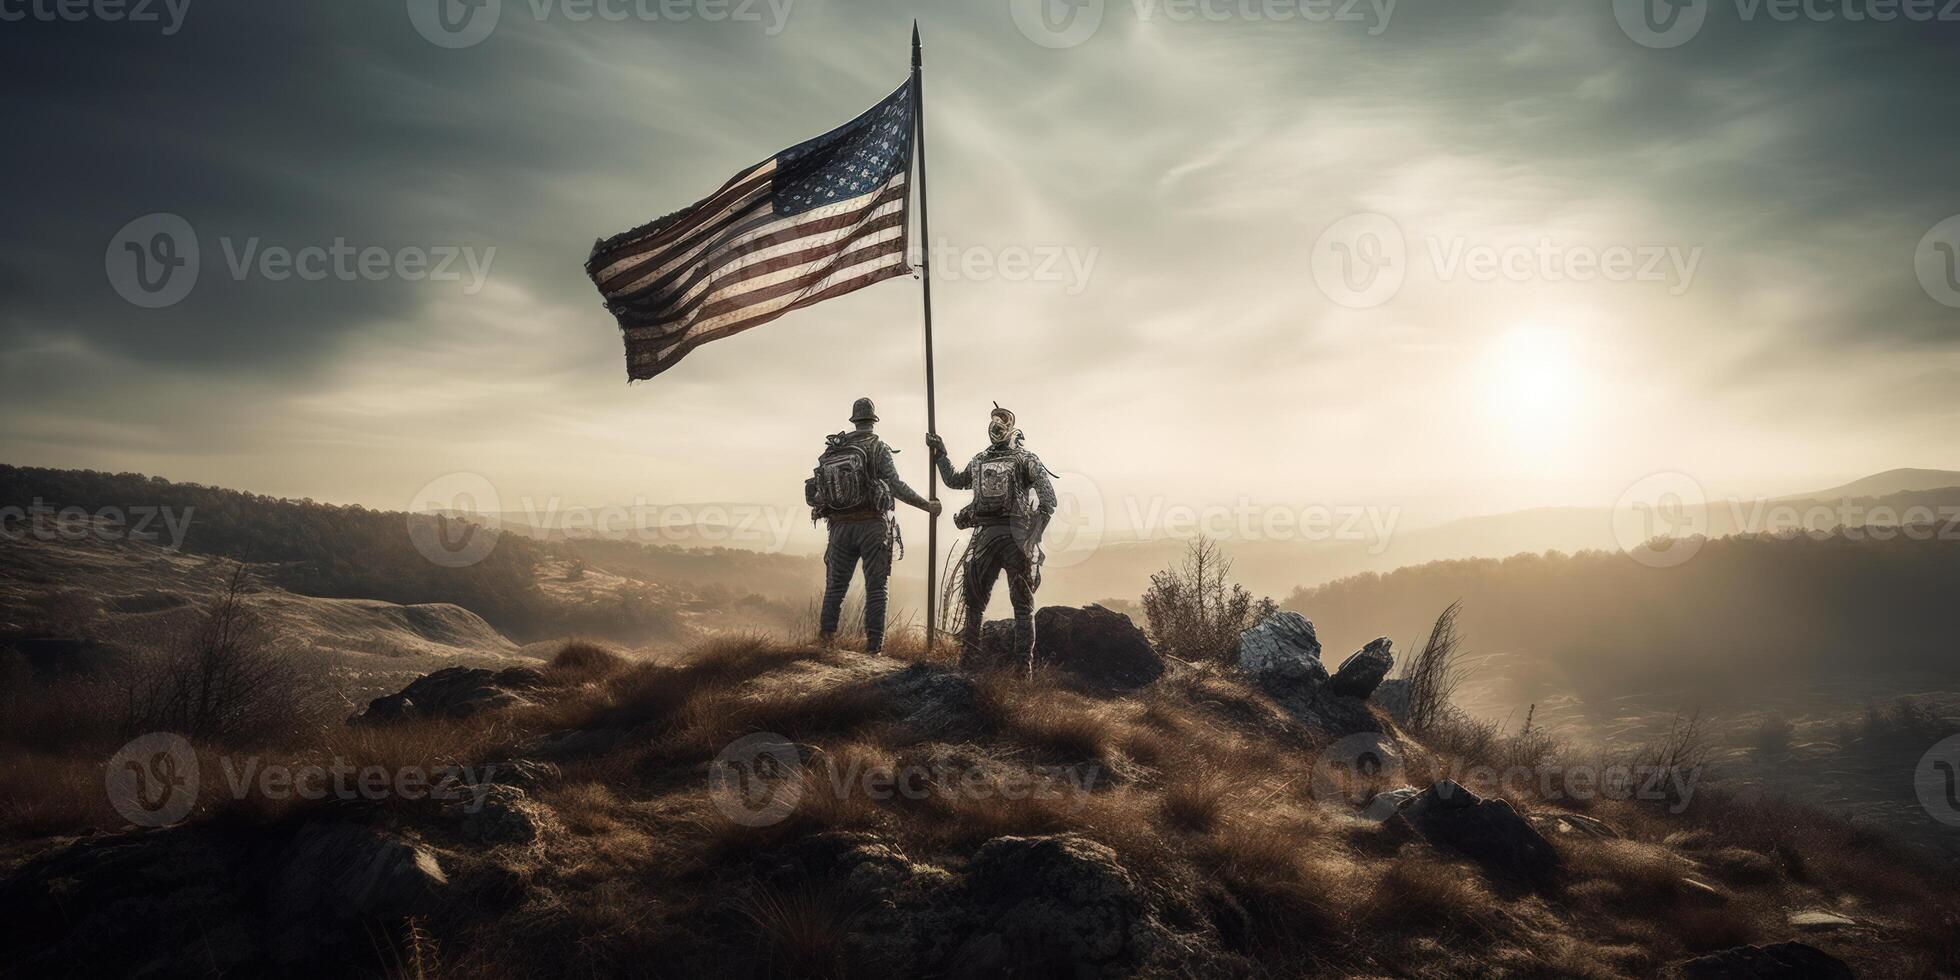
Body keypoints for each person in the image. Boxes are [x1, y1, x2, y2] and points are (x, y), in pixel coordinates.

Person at [927, 404, 1056, 672]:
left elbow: (953, 480)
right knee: (1022, 608)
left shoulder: (979, 460)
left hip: (985, 537)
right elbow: (1048, 501)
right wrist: (1034, 537)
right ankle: (1023, 670)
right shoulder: (1026, 459)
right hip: (1017, 538)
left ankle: (968, 664)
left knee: (975, 606)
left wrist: (941, 454)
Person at [808, 397, 940, 653]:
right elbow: (896, 486)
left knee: (835, 588)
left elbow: (814, 489)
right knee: (877, 588)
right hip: (871, 526)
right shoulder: (877, 447)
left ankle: (825, 643)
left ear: (854, 420)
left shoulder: (834, 450)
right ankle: (874, 649)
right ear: (873, 420)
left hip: (839, 528)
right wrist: (928, 506)